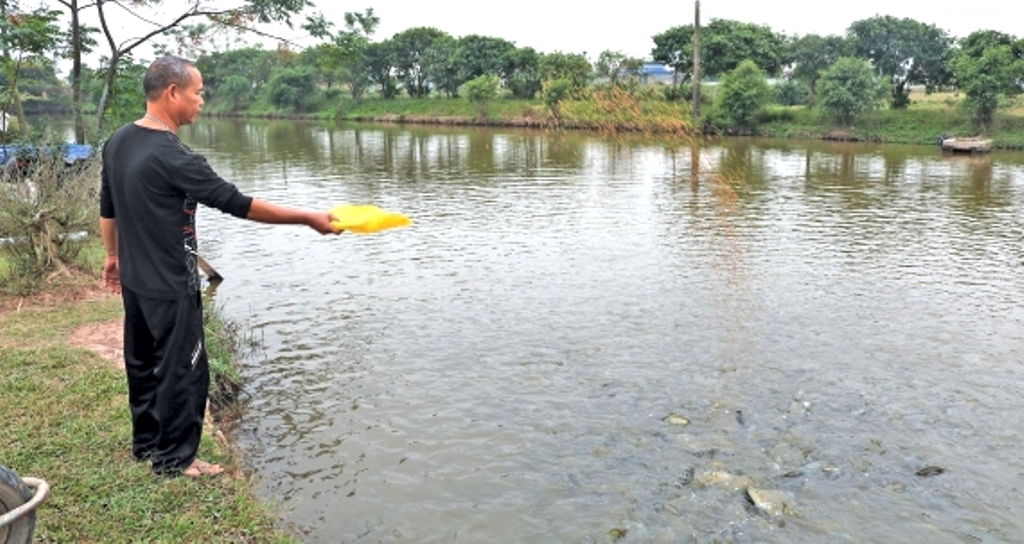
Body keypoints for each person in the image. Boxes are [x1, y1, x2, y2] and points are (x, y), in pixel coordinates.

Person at [99, 56, 339, 478]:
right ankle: (176, 461)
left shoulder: (118, 140)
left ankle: (146, 445)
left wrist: (113, 257)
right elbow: (237, 203)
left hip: (136, 279)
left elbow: (108, 206)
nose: (202, 101)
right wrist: (307, 217)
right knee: (183, 370)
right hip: (171, 282)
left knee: (142, 364)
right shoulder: (177, 157)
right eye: (198, 92)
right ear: (173, 92)